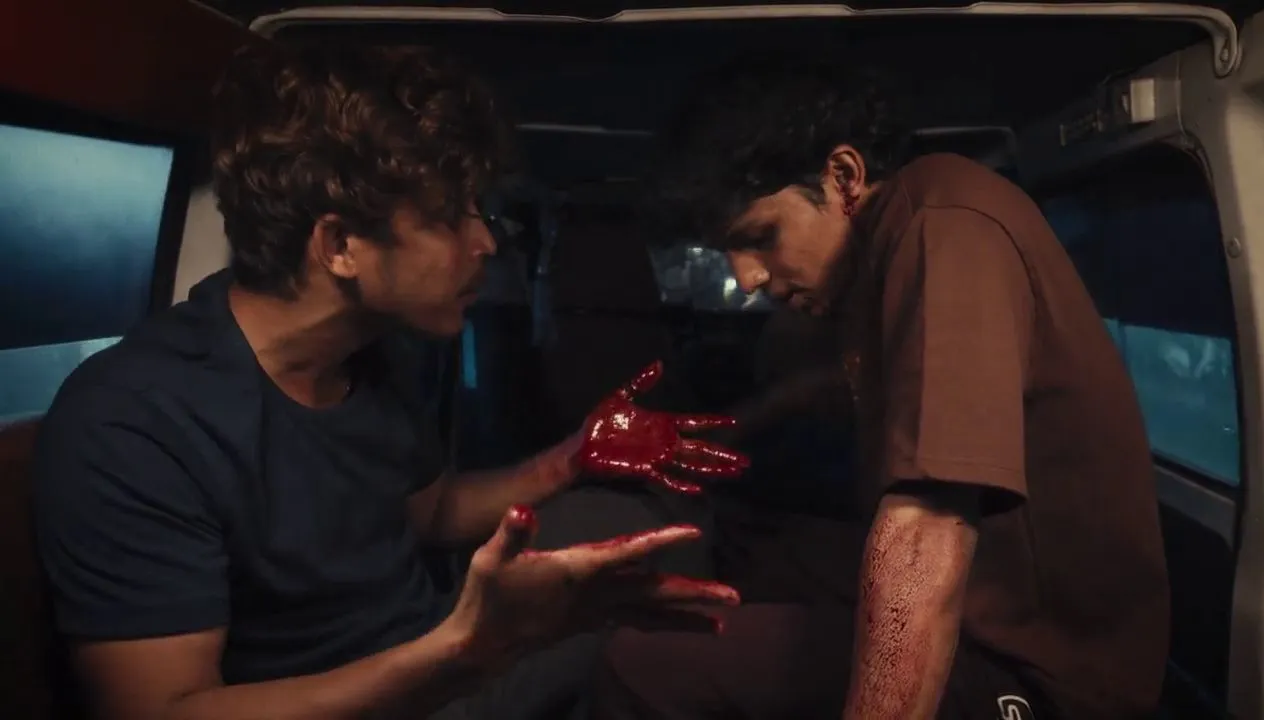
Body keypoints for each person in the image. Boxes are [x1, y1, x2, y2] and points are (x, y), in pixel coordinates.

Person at [31, 43, 749, 720]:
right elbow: (165, 712)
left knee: (659, 511)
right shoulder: (135, 422)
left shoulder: (373, 354)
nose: (486, 242)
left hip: (435, 649)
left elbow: (432, 515)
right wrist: (466, 649)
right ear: (341, 245)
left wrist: (572, 458)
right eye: (451, 216)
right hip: (396, 693)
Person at [590, 62, 1170, 719]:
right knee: (743, 548)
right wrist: (731, 427)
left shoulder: (943, 225)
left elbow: (925, 527)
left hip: (1041, 669)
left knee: (636, 666)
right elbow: (847, 386)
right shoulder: (889, 251)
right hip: (990, 601)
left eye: (761, 238)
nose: (748, 278)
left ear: (843, 177)